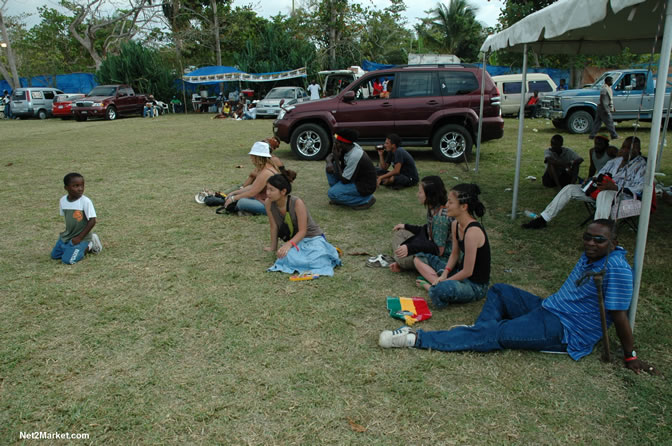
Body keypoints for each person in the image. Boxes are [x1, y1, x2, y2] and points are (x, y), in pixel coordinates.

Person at [379, 220, 660, 376]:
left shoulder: (617, 269)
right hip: (549, 308)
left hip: (566, 329)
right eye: (588, 237)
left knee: (498, 333)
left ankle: (415, 339)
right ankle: (478, 332)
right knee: (500, 290)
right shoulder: (591, 256)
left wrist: (630, 356)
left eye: (599, 240)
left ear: (613, 243)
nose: (590, 243)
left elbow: (620, 315)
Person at [524, 136, 646, 230]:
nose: (624, 150)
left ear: (637, 150)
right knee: (570, 188)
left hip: (623, 197)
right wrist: (591, 179)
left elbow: (640, 187)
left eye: (629, 148)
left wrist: (615, 187)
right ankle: (543, 219)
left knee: (605, 194)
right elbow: (600, 174)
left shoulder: (642, 166)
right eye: (623, 147)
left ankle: (599, 231)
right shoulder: (615, 161)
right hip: (599, 191)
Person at [414, 183, 490, 308]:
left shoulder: (472, 232)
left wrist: (445, 281)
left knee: (441, 289)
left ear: (464, 206)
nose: (446, 205)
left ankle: (431, 287)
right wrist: (444, 274)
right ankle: (437, 281)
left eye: (450, 202)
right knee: (420, 256)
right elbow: (455, 253)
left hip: (474, 286)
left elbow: (468, 271)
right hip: (459, 273)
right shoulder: (455, 224)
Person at [264, 173, 342, 276]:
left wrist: (288, 245)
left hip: (312, 238)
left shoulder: (296, 203)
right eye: (267, 189)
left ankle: (327, 251)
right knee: (285, 257)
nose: (267, 193)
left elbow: (303, 231)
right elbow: (274, 226)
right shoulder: (269, 203)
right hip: (296, 242)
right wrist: (273, 247)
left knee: (316, 259)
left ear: (283, 191)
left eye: (271, 190)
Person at [389, 176, 451, 273]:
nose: (418, 195)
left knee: (401, 257)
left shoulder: (440, 219)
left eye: (420, 192)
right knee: (400, 233)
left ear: (430, 195)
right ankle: (401, 257)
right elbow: (427, 231)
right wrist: (406, 226)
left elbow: (439, 251)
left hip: (441, 258)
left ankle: (402, 261)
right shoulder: (433, 208)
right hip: (429, 243)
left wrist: (411, 247)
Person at [224, 142, 291, 215]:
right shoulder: (266, 168)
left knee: (241, 202)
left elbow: (252, 192)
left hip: (272, 206)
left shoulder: (266, 172)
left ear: (257, 157)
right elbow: (253, 187)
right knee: (241, 198)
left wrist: (233, 198)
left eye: (252, 156)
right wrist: (234, 193)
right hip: (267, 201)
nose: (251, 158)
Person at [51, 172, 102, 265]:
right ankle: (71, 247)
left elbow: (92, 221)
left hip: (82, 237)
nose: (80, 189)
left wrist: (79, 237)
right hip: (68, 236)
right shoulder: (63, 201)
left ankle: (90, 244)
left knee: (68, 260)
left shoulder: (85, 201)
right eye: (76, 186)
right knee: (55, 256)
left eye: (82, 185)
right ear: (66, 188)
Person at [325, 128, 377, 210]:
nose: (334, 144)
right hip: (353, 178)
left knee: (332, 194)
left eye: (336, 142)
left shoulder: (355, 155)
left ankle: (366, 200)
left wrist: (336, 158)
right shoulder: (347, 147)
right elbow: (330, 157)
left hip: (364, 185)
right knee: (331, 166)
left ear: (343, 144)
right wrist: (329, 163)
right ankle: (338, 195)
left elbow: (345, 180)